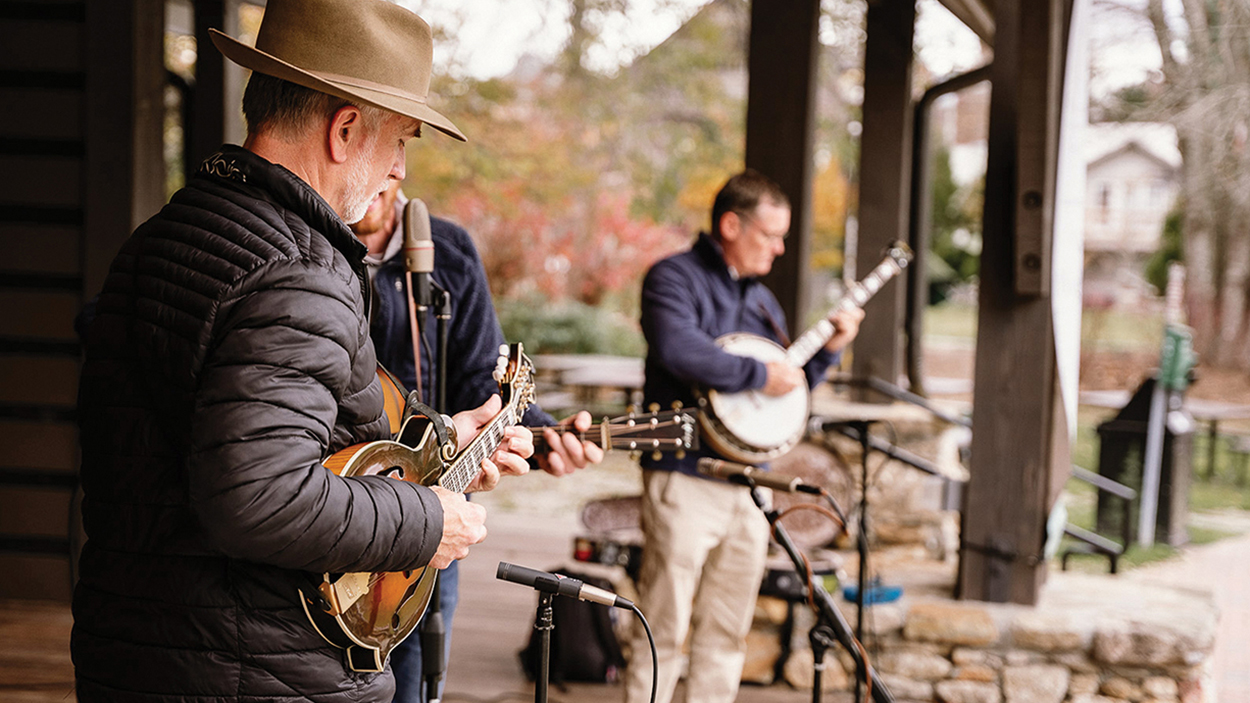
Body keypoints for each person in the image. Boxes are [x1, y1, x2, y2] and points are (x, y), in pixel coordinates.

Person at [70, 2, 533, 702]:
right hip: (261, 675)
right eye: (400, 141)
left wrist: (442, 443)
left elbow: (220, 442)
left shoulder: (167, 233)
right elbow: (257, 494)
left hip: (137, 654)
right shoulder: (300, 270)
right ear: (346, 129)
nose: (399, 171)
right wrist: (429, 520)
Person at [350, 180, 605, 701]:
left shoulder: (449, 250)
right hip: (335, 504)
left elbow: (479, 378)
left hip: (430, 510)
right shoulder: (311, 244)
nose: (380, 180)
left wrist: (541, 434)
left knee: (416, 679)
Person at [621, 170, 864, 703]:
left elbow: (785, 387)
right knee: (663, 625)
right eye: (770, 235)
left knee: (728, 631)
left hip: (749, 487)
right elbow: (677, 348)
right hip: (683, 476)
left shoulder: (761, 303)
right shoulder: (673, 278)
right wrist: (757, 374)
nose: (779, 249)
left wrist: (827, 352)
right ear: (731, 224)